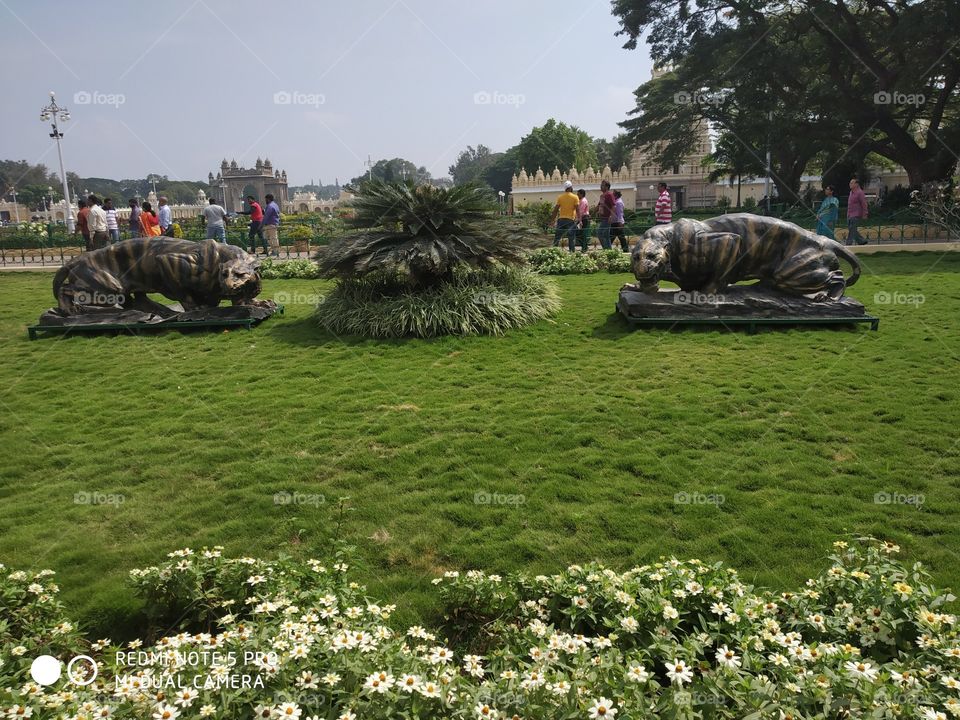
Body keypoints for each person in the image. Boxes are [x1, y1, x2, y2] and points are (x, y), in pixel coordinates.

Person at [548, 181, 579, 252]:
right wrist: (579, 219)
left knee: (557, 237)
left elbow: (555, 210)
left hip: (561, 220)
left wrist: (552, 220)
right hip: (570, 220)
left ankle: (554, 252)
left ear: (565, 189)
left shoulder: (560, 197)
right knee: (571, 238)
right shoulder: (575, 197)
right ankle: (572, 253)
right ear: (571, 187)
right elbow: (577, 209)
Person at [846, 177, 869, 246]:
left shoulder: (860, 192)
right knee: (852, 229)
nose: (850, 184)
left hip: (856, 214)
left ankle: (848, 243)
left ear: (857, 184)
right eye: (850, 183)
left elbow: (864, 204)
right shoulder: (851, 192)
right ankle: (861, 241)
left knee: (852, 229)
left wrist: (865, 213)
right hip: (850, 214)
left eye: (852, 183)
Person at [595, 180, 615, 250]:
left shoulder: (609, 195)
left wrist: (611, 216)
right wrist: (592, 213)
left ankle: (607, 249)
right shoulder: (602, 196)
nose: (601, 186)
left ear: (607, 187)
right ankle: (608, 250)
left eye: (602, 185)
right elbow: (599, 205)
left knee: (601, 234)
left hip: (607, 218)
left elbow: (613, 206)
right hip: (603, 218)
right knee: (605, 235)